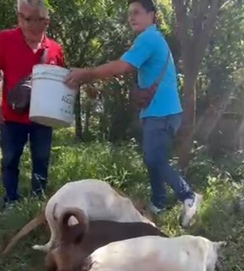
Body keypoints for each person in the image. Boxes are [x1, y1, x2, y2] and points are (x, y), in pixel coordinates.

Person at [63, 0, 201, 227]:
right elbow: (124, 68)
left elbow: (122, 66)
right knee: (153, 158)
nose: (131, 17)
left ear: (152, 15)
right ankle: (158, 202)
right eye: (129, 14)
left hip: (162, 112)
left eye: (136, 12)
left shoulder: (149, 38)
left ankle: (188, 196)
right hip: (158, 111)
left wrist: (87, 74)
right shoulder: (152, 38)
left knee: (154, 158)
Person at [0, 0, 65, 210]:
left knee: (41, 159)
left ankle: (38, 204)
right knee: (10, 159)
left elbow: (60, 80)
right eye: (23, 17)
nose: (28, 23)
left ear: (46, 21)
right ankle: (11, 200)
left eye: (34, 19)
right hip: (12, 116)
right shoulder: (4, 39)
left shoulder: (55, 48)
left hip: (43, 117)